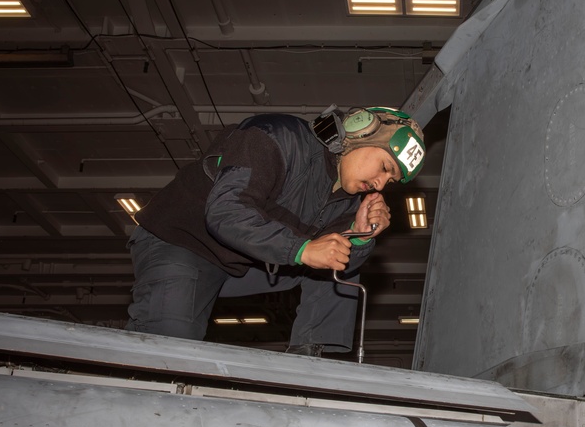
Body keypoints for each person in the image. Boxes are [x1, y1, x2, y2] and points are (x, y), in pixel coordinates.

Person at [124, 105, 426, 357]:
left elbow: (341, 262)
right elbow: (226, 212)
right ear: (359, 132)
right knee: (172, 345)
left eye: (391, 181)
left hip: (241, 262)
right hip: (182, 243)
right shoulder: (276, 136)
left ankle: (311, 358)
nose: (381, 183)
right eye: (385, 167)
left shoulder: (348, 201)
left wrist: (359, 234)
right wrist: (303, 250)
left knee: (336, 256)